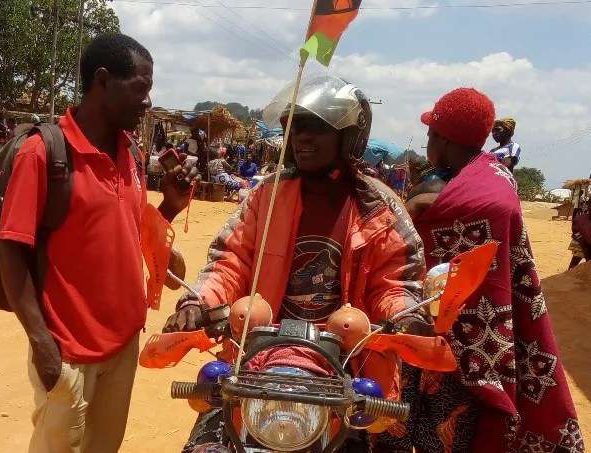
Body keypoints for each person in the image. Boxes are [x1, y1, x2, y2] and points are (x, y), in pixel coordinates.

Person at [165, 75, 427, 451]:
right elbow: (230, 259)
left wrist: (405, 315)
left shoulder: (379, 209)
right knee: (208, 440)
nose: (302, 137)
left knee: (368, 439)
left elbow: (396, 281)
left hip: (343, 365)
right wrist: (198, 301)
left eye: (317, 128)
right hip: (259, 354)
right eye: (297, 127)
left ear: (349, 136)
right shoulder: (267, 196)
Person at [0, 33, 199, 453]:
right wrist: (42, 343)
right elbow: (11, 251)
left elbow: (129, 233)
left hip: (122, 342)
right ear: (103, 81)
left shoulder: (130, 152)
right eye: (140, 88)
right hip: (67, 348)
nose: (147, 101)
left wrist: (169, 207)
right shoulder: (43, 154)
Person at [381, 88, 582, 452]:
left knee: (426, 431)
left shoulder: (464, 198)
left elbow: (410, 254)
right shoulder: (494, 177)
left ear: (443, 139)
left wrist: (416, 210)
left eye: (430, 135)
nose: (428, 143)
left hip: (458, 351)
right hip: (466, 342)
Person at [569, 198, 591, 269]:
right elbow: (575, 230)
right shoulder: (581, 218)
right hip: (580, 242)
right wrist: (582, 239)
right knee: (576, 258)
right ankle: (570, 271)